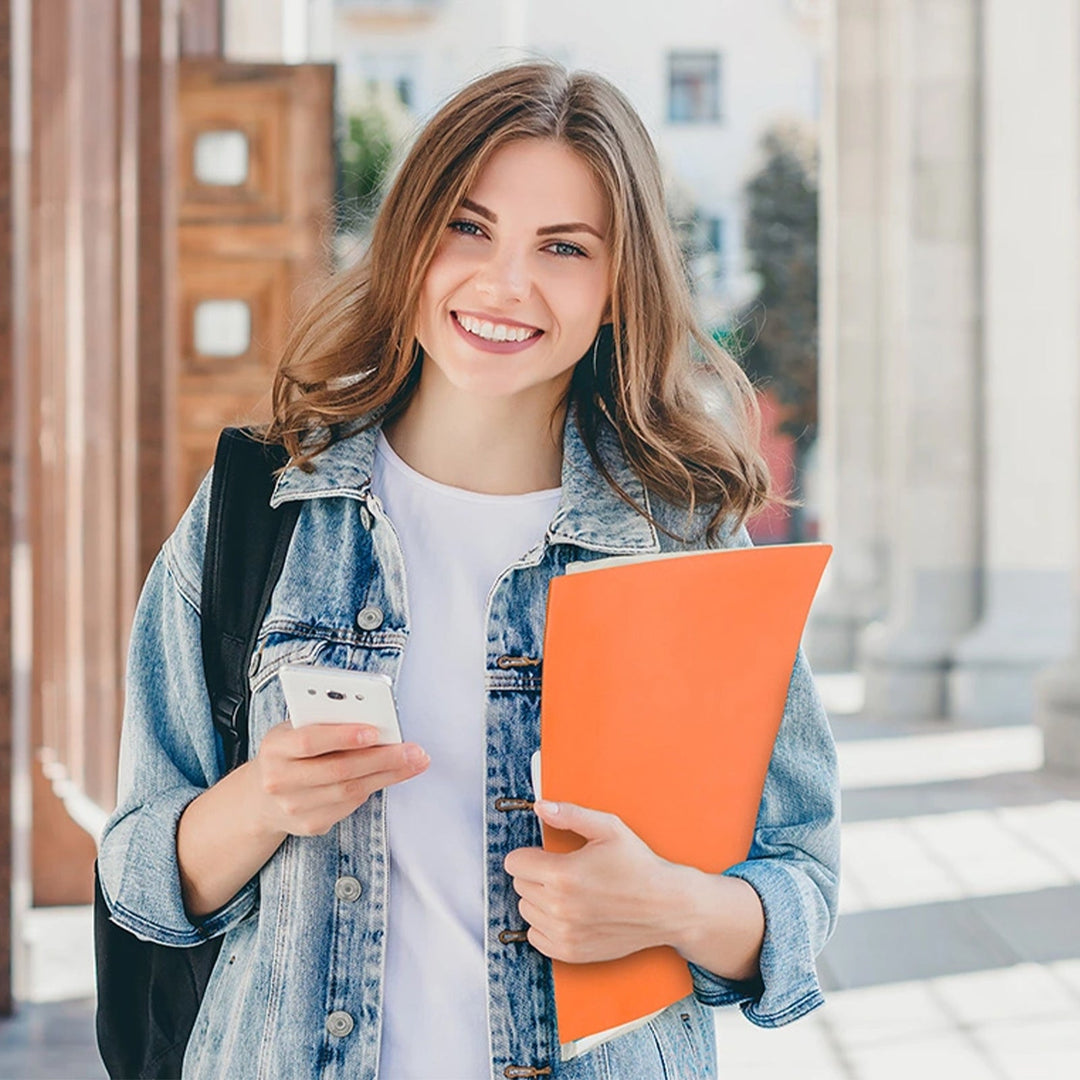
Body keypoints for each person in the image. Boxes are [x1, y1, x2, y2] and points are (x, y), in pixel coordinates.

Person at [98, 59, 840, 1080]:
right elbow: (136, 868)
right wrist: (261, 802)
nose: (506, 283)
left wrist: (672, 906)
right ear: (410, 240)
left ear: (619, 285)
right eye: (468, 226)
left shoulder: (683, 543)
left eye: (564, 247)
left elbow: (800, 881)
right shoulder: (261, 509)